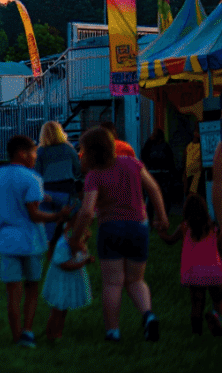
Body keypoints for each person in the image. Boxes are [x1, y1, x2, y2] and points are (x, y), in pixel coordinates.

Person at [67, 126, 168, 343]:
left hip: (111, 228)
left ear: (91, 152)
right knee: (136, 280)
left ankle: (113, 331)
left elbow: (87, 211)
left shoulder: (94, 175)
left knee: (113, 283)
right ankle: (148, 315)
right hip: (138, 226)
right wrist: (161, 217)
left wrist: (75, 238)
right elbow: (153, 188)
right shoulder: (132, 163)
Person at [0, 135, 68, 347]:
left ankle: (16, 335)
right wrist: (58, 216)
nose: (36, 156)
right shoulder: (32, 178)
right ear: (22, 153)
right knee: (32, 288)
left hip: (6, 239)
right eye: (33, 152)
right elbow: (34, 214)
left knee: (13, 293)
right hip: (31, 240)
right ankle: (28, 331)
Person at [157, 193, 222, 335]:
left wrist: (161, 233)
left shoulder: (184, 228)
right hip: (213, 270)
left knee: (197, 302)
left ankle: (196, 332)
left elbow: (170, 240)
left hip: (193, 272)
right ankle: (216, 316)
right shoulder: (213, 228)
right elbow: (219, 244)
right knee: (218, 298)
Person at [41, 221, 94, 342]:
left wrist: (85, 240)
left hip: (66, 280)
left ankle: (58, 333)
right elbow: (65, 265)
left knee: (63, 308)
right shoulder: (62, 244)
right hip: (61, 281)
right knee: (58, 308)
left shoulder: (70, 240)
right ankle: (51, 334)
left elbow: (79, 251)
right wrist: (83, 262)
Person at [34, 121, 81, 242]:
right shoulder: (68, 149)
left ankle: (52, 249)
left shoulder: (40, 151)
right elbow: (78, 171)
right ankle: (68, 248)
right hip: (66, 191)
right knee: (68, 227)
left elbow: (36, 174)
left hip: (47, 192)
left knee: (50, 231)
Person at [140, 129, 175, 221]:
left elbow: (170, 161)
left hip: (163, 175)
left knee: (164, 198)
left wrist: (171, 175)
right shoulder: (150, 146)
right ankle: (151, 219)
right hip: (153, 174)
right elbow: (143, 155)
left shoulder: (165, 146)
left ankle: (163, 217)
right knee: (151, 198)